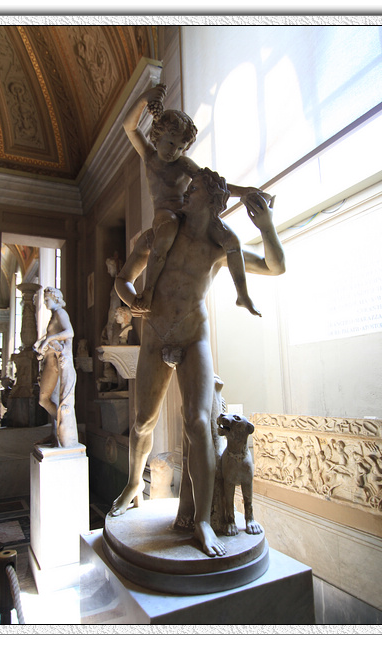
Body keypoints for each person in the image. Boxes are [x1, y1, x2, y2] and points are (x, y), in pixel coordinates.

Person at [109, 168, 285, 557]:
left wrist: (267, 227)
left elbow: (275, 266)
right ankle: (134, 483)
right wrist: (132, 300)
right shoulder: (159, 234)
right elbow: (122, 279)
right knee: (144, 421)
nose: (186, 191)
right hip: (156, 333)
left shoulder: (220, 246)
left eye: (196, 188)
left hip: (193, 335)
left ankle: (202, 521)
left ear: (213, 200)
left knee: (199, 423)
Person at [123, 83, 264, 317]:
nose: (174, 151)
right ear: (158, 135)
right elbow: (129, 127)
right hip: (165, 215)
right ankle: (148, 291)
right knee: (168, 227)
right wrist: (144, 100)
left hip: (188, 213)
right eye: (170, 143)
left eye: (180, 147)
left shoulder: (183, 163)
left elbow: (213, 185)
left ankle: (242, 295)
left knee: (231, 239)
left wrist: (245, 192)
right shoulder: (149, 157)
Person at [35, 287, 78, 448]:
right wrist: (42, 343)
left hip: (54, 362)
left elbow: (70, 332)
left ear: (55, 299)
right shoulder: (54, 315)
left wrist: (48, 340)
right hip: (49, 360)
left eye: (47, 299)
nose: (45, 302)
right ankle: (56, 433)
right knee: (46, 399)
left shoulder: (60, 312)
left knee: (44, 399)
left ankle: (63, 429)